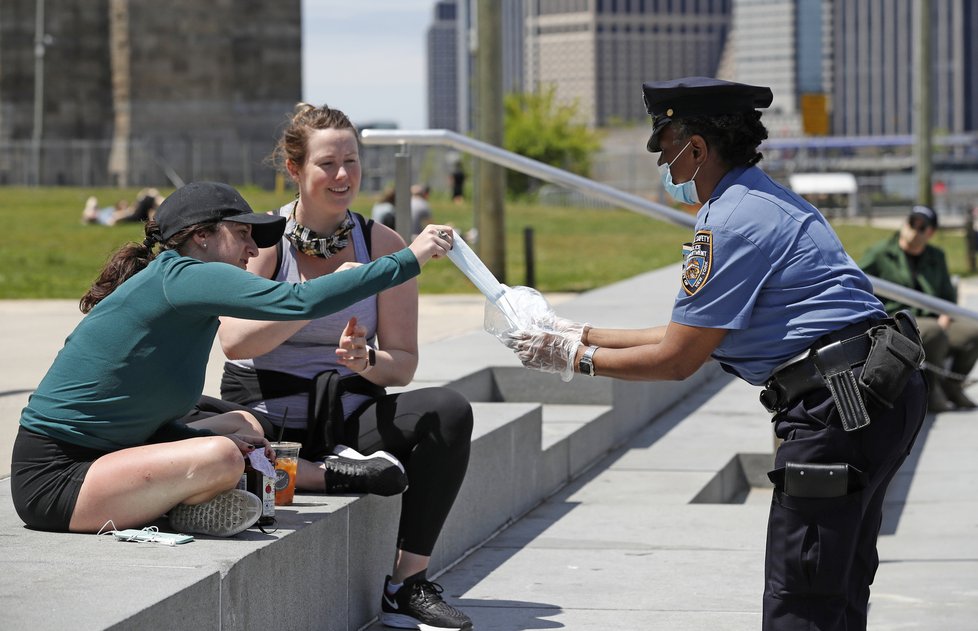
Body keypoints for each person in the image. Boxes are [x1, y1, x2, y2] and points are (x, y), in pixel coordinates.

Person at [500, 77, 927, 631]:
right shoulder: (763, 198)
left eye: (664, 147)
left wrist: (571, 359)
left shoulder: (728, 222)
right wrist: (581, 332)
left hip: (837, 408)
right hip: (872, 392)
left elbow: (678, 360)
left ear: (696, 147)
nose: (662, 163)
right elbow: (694, 336)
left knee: (802, 596)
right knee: (838, 586)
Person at [10, 180, 452, 541]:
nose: (253, 250)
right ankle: (296, 483)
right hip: (57, 478)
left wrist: (190, 435)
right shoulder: (182, 276)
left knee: (241, 426)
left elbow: (136, 417)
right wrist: (408, 259)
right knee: (221, 456)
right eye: (242, 234)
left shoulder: (181, 292)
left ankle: (190, 501)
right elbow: (296, 302)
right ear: (201, 236)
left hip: (111, 456)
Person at [217, 103, 474, 631]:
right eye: (327, 164)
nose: (342, 176)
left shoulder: (383, 245)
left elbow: (402, 366)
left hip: (348, 411)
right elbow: (234, 341)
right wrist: (320, 293)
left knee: (448, 411)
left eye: (351, 162)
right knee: (207, 440)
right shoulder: (262, 241)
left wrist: (368, 360)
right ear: (294, 170)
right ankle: (316, 474)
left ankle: (407, 583)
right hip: (267, 414)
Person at [859, 205, 978, 411]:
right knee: (934, 331)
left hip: (936, 320)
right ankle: (931, 390)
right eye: (911, 222)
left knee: (972, 332)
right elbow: (857, 280)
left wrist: (946, 317)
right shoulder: (881, 253)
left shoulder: (936, 256)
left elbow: (948, 297)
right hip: (897, 321)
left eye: (921, 226)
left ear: (930, 233)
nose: (913, 229)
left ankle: (952, 386)